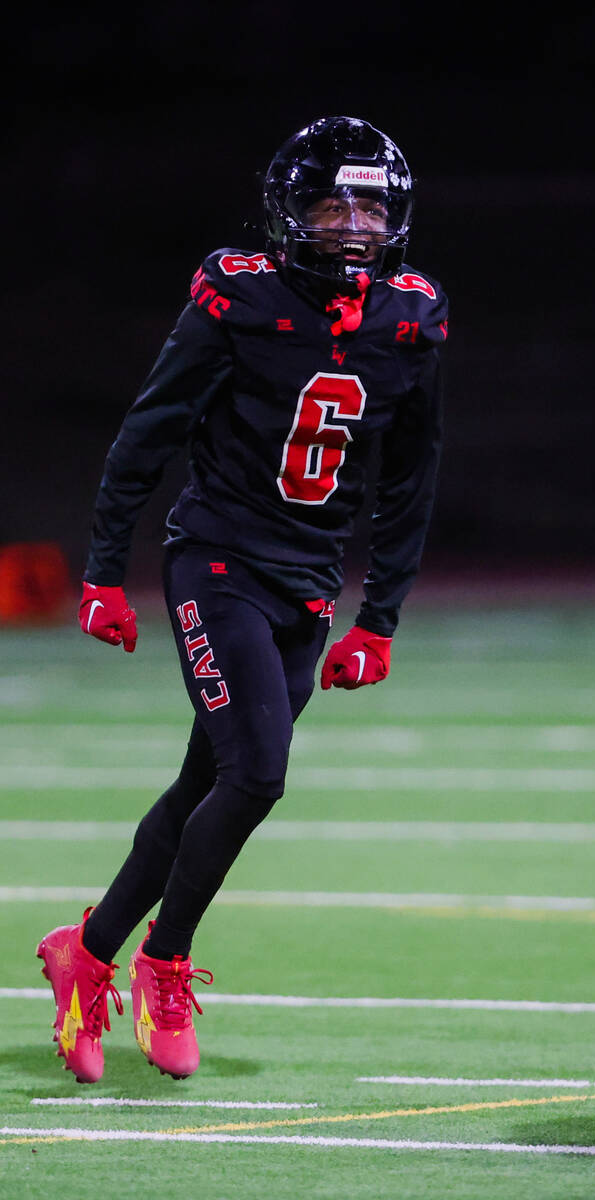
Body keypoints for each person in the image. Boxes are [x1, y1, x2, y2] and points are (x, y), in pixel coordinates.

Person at [36, 116, 448, 1083]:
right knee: (257, 772)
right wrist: (102, 570)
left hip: (307, 579)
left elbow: (412, 473)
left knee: (203, 787)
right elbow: (147, 434)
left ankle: (83, 953)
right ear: (290, 210)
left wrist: (378, 615)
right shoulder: (239, 298)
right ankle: (161, 959)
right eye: (332, 202)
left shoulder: (410, 317)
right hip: (218, 560)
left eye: (371, 203)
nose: (353, 222)